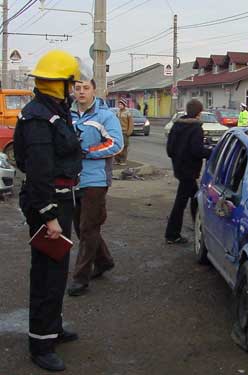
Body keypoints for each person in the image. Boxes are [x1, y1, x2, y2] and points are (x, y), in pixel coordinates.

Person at [13, 50, 85, 372]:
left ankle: (52, 328)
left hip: (61, 199)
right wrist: (49, 215)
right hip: (49, 204)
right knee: (46, 275)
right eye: (71, 83)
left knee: (57, 272)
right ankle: (40, 344)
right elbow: (38, 170)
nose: (73, 88)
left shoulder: (55, 109)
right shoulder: (39, 116)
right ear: (60, 83)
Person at [67, 78, 123, 297]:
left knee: (89, 227)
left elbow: (116, 144)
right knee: (80, 227)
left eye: (85, 88)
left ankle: (80, 278)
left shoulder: (105, 115)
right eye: (77, 88)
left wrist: (88, 151)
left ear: (94, 91)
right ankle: (104, 261)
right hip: (71, 179)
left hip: (96, 179)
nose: (81, 92)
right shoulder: (66, 115)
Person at [165, 99, 212, 244]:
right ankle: (173, 234)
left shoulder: (177, 125)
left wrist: (178, 160)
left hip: (180, 169)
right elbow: (196, 150)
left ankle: (198, 226)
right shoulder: (196, 128)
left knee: (194, 198)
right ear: (199, 112)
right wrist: (210, 152)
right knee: (182, 202)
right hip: (189, 171)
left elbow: (170, 150)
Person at [114, 98, 133, 165]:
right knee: (117, 146)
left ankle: (123, 160)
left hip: (125, 132)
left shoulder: (128, 113)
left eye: (121, 104)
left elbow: (130, 123)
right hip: (118, 132)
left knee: (124, 146)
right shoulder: (118, 112)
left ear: (124, 105)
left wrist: (129, 132)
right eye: (119, 104)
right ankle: (117, 160)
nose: (119, 105)